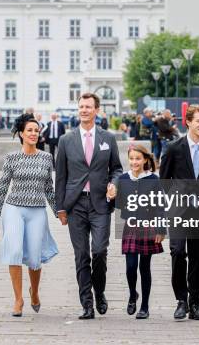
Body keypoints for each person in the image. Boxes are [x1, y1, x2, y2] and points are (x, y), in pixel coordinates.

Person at [55, 93, 123, 319]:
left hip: (100, 203)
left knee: (99, 251)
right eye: (81, 107)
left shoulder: (108, 139)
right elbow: (61, 177)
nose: (84, 110)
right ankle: (87, 303)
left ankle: (100, 292)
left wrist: (114, 184)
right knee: (81, 254)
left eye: (88, 107)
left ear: (97, 110)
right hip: (75, 205)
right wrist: (60, 208)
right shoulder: (66, 140)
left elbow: (117, 169)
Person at [0, 113, 58, 317]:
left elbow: (49, 189)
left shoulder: (47, 158)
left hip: (37, 211)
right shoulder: (11, 158)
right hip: (14, 209)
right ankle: (18, 299)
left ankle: (34, 292)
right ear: (21, 134)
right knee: (14, 250)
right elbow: (2, 188)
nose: (34, 133)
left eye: (36, 130)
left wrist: (58, 211)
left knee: (35, 258)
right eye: (30, 130)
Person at [159, 104, 199, 321]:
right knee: (177, 252)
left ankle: (195, 303)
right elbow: (164, 181)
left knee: (198, 257)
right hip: (178, 209)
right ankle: (181, 300)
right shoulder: (173, 148)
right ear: (188, 122)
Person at [116, 144, 164, 319]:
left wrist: (161, 229)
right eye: (131, 159)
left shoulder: (154, 179)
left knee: (145, 267)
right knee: (130, 266)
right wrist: (111, 195)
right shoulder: (123, 179)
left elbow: (160, 206)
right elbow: (119, 205)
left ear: (145, 160)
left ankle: (144, 305)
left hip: (149, 227)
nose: (134, 162)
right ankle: (132, 295)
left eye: (138, 158)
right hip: (131, 226)